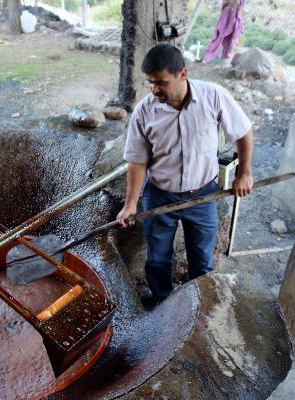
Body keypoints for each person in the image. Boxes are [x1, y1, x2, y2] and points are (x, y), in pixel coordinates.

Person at [116, 43, 253, 309]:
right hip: (159, 195)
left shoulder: (213, 96)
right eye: (150, 83)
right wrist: (131, 204)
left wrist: (244, 173)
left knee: (202, 258)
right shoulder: (145, 111)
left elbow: (243, 132)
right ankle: (162, 302)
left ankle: (198, 307)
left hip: (203, 195)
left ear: (183, 74)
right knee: (157, 258)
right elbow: (137, 161)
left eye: (161, 82)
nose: (155, 89)